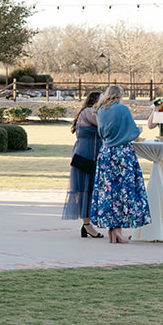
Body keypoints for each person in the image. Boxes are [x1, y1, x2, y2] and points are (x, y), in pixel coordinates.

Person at [88, 85, 149, 243]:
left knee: (108, 192)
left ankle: (112, 230)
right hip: (122, 155)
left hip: (106, 153)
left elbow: (102, 133)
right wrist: (139, 131)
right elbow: (131, 131)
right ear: (119, 95)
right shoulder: (123, 109)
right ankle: (119, 231)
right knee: (123, 192)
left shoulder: (100, 110)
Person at [63, 91, 102, 237]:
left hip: (91, 154)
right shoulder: (88, 112)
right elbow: (104, 126)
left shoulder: (91, 112)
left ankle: (86, 224)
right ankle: (87, 225)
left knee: (91, 189)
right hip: (86, 156)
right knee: (85, 189)